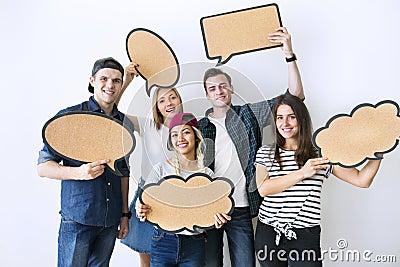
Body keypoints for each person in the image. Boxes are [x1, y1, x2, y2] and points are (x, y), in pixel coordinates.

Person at [199, 27, 304, 266]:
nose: (219, 91)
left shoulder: (248, 114)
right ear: (206, 95)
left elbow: (295, 97)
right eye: (213, 88)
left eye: (223, 86)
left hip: (242, 209)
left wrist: (289, 54)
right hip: (209, 209)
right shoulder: (200, 126)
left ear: (231, 89)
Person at [254, 94, 385, 266]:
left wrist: (380, 150)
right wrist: (302, 172)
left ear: (302, 119)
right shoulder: (266, 152)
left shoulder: (321, 153)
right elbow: (263, 188)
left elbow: (362, 180)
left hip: (305, 235)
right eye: (280, 118)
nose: (284, 123)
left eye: (291, 117)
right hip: (269, 232)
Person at [37, 57, 134, 267]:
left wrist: (124, 215)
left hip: (110, 220)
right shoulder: (70, 118)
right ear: (92, 80)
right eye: (104, 78)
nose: (110, 85)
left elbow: (124, 173)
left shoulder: (124, 124)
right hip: (78, 218)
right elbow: (43, 167)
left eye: (117, 81)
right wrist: (79, 172)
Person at [136, 112, 231, 266]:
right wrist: (140, 209)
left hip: (195, 243)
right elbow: (144, 201)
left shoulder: (207, 175)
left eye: (186, 132)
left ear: (196, 136)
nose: (180, 138)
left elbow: (214, 210)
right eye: (174, 135)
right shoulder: (161, 170)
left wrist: (217, 220)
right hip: (162, 241)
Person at [116, 63, 185, 267]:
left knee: (179, 254)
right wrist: (127, 80)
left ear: (180, 99)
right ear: (156, 106)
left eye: (172, 97)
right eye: (162, 100)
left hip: (181, 195)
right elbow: (114, 113)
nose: (169, 103)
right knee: (146, 255)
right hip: (149, 194)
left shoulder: (190, 126)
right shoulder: (147, 124)